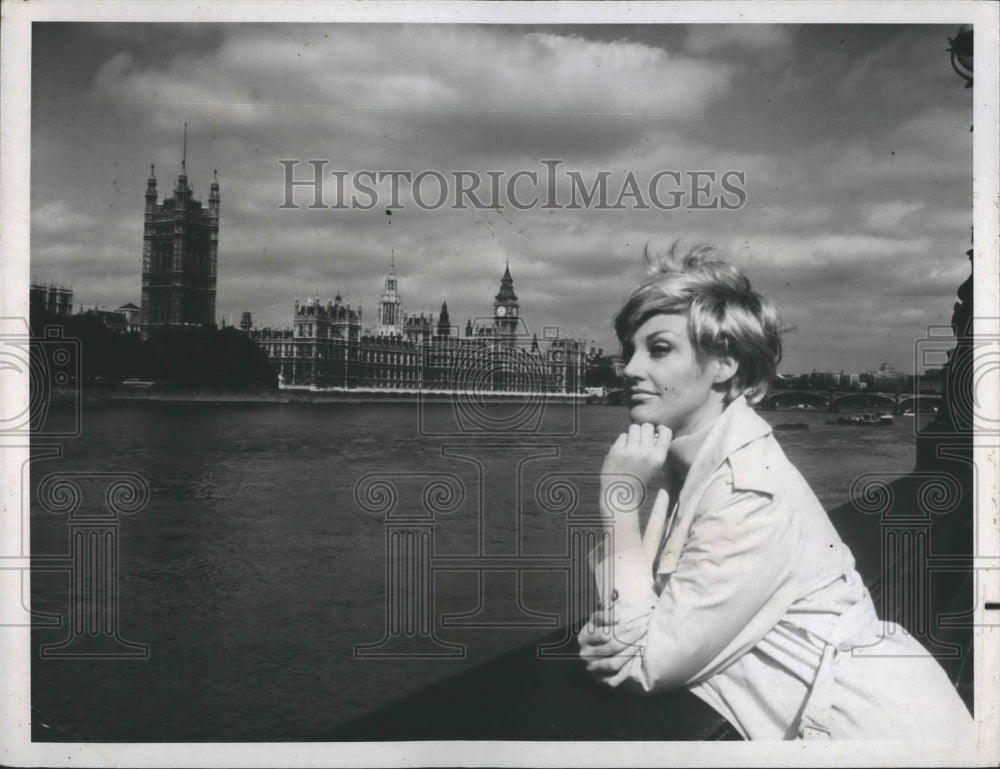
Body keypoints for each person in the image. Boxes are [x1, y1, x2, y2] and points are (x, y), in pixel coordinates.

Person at [577, 243, 974, 740]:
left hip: (876, 737)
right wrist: (615, 628)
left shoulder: (748, 493)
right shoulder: (701, 464)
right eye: (629, 351)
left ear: (725, 364)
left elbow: (642, 664)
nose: (631, 369)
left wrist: (618, 498)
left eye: (658, 349)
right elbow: (653, 612)